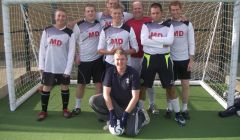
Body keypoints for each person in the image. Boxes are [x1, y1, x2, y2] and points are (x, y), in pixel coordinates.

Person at [140, 3, 186, 125]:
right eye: (153, 13)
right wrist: (161, 43)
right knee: (143, 87)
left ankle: (177, 113)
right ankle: (139, 112)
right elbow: (144, 41)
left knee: (170, 88)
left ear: (162, 13)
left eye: (157, 13)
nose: (155, 15)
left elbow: (170, 41)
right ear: (150, 14)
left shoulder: (169, 25)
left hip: (164, 59)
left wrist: (153, 39)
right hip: (149, 59)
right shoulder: (146, 25)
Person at [89, 49, 149, 137]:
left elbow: (135, 97)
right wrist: (111, 113)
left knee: (131, 133)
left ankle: (141, 116)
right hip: (115, 104)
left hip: (129, 107)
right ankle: (112, 119)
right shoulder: (109, 72)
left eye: (122, 59)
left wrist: (125, 115)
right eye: (117, 59)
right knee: (93, 100)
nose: (120, 62)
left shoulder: (133, 73)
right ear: (114, 60)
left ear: (126, 60)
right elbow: (106, 94)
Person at [38, 8, 76, 121]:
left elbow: (71, 52)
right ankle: (43, 111)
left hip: (63, 67)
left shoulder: (70, 33)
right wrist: (41, 66)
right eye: (59, 15)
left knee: (64, 87)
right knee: (46, 88)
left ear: (66, 18)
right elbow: (42, 49)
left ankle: (65, 109)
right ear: (55, 17)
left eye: (63, 16)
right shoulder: (47, 30)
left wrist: (68, 70)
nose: (61, 18)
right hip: (49, 67)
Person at [125, 0, 159, 115]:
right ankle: (136, 106)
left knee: (149, 82)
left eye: (139, 8)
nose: (137, 10)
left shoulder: (150, 20)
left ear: (143, 9)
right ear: (132, 10)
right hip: (132, 58)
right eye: (135, 8)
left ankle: (152, 104)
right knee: (134, 82)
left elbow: (163, 24)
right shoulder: (128, 23)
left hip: (147, 57)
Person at [71, 4, 104, 115]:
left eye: (92, 11)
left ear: (95, 12)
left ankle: (98, 108)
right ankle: (77, 106)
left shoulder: (99, 24)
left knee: (99, 84)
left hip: (98, 59)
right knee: (81, 84)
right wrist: (76, 55)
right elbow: (73, 41)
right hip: (84, 60)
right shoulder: (78, 25)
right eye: (88, 11)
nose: (90, 13)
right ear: (84, 13)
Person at [164, 1, 195, 120]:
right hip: (170, 60)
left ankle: (185, 108)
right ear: (170, 11)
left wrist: (191, 60)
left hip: (184, 60)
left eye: (177, 10)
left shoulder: (188, 24)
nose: (175, 12)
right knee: (169, 85)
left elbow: (191, 43)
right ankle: (169, 108)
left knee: (185, 85)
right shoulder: (167, 24)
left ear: (181, 9)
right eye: (173, 10)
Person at [98, 4, 138, 69]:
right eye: (115, 13)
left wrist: (124, 52)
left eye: (119, 13)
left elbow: (136, 48)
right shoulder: (105, 30)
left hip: (125, 63)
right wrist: (110, 52)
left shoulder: (129, 29)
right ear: (111, 14)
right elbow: (99, 50)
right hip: (110, 64)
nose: (117, 15)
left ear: (122, 14)